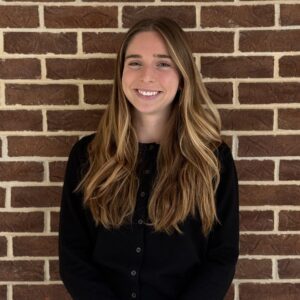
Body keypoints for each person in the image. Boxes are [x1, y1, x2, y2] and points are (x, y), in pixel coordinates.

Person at [59, 17, 239, 300]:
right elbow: (73, 256)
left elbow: (222, 256)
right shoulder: (88, 156)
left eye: (163, 63)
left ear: (183, 76)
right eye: (134, 62)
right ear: (120, 74)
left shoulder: (213, 160)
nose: (146, 76)